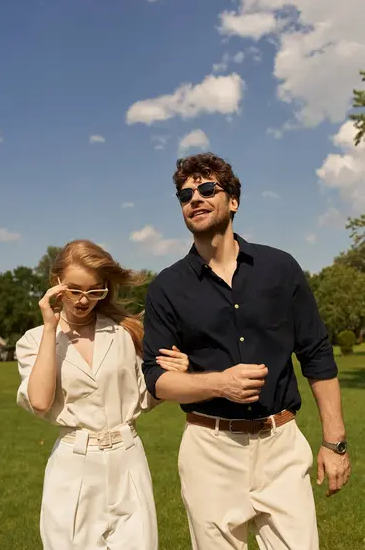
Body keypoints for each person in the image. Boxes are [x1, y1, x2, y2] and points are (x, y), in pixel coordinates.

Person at [142, 153, 351, 550]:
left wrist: (334, 442)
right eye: (185, 195)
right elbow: (156, 379)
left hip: (281, 445)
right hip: (210, 452)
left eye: (207, 189)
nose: (195, 199)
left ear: (233, 201)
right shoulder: (167, 288)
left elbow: (317, 353)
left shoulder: (280, 268)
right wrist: (219, 383)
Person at [15, 240, 189, 550]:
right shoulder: (34, 341)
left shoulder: (126, 332)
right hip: (73, 466)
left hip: (128, 459)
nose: (84, 300)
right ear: (56, 283)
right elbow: (40, 402)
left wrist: (174, 373)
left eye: (95, 291)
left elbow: (146, 397)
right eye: (74, 289)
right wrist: (48, 328)